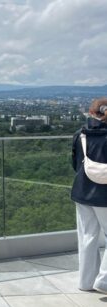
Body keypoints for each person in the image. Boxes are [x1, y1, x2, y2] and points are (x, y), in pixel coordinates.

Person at [71, 97, 107, 293]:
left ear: (92, 112)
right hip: (105, 196)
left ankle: (86, 282)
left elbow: (76, 164)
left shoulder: (80, 134)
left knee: (87, 236)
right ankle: (104, 281)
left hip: (83, 191)